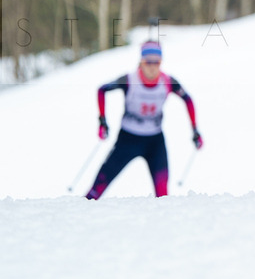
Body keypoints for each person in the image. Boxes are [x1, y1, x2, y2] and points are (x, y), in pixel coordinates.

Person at [85, 41, 203, 199]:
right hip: (128, 139)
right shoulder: (128, 79)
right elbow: (102, 90)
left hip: (154, 141)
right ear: (141, 61)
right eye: (148, 62)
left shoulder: (167, 81)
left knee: (163, 196)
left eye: (157, 62)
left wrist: (195, 130)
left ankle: (164, 222)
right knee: (96, 190)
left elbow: (188, 100)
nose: (152, 66)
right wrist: (102, 121)